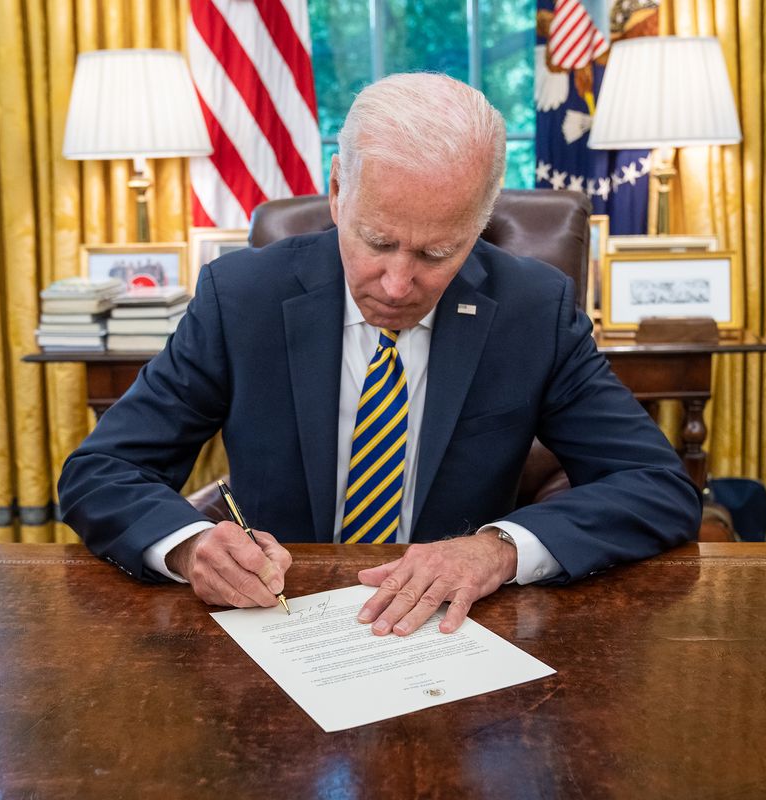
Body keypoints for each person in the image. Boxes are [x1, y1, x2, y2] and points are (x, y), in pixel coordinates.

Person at [58, 72, 700, 637]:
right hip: (278, 626)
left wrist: (499, 549)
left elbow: (657, 486)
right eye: (377, 240)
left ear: (480, 224)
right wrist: (189, 547)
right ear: (338, 192)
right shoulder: (243, 298)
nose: (397, 284)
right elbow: (103, 470)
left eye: (436, 253)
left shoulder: (534, 312)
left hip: (453, 634)